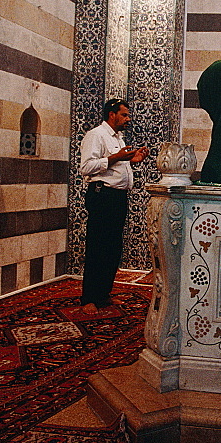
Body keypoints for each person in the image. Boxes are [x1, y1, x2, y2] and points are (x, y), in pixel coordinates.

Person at [78, 98, 148, 314]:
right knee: (98, 247)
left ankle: (103, 295)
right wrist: (116, 157)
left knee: (112, 248)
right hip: (102, 196)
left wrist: (131, 161)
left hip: (117, 198)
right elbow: (86, 167)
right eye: (125, 114)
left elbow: (115, 166)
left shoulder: (118, 137)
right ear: (112, 114)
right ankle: (88, 298)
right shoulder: (96, 135)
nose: (128, 118)